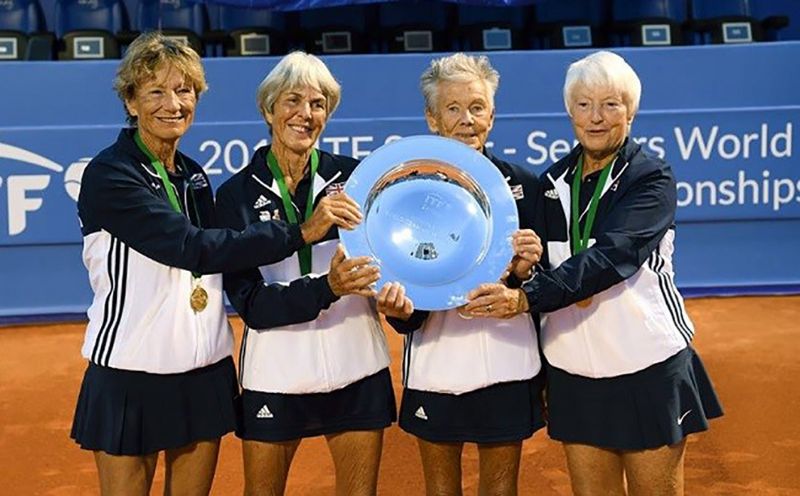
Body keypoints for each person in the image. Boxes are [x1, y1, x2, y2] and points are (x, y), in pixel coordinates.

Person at [70, 34, 354, 495]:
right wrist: (301, 231)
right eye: (156, 92)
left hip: (203, 369)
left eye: (184, 91)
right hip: (131, 372)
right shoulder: (110, 175)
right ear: (131, 101)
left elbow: (222, 256)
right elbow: (195, 248)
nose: (173, 103)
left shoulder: (193, 174)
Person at [464, 51, 724, 495]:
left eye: (611, 104)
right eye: (584, 105)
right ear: (570, 112)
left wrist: (527, 297)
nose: (597, 118)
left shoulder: (650, 179)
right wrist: (525, 272)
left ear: (631, 111)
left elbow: (611, 258)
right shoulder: (549, 186)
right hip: (574, 372)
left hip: (645, 365)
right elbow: (536, 268)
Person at [215, 51, 395, 496]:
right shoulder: (234, 195)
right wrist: (328, 287)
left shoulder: (356, 181)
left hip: (358, 365)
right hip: (276, 372)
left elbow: (389, 268)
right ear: (268, 108)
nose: (306, 114)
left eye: (318, 104)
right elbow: (252, 305)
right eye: (293, 101)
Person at [378, 53, 545, 496]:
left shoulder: (526, 186)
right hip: (436, 366)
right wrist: (400, 311)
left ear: (492, 114)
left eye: (477, 107)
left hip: (508, 362)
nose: (467, 120)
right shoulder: (402, 193)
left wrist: (528, 274)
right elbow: (402, 302)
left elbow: (546, 284)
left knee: (500, 488)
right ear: (432, 120)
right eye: (453, 109)